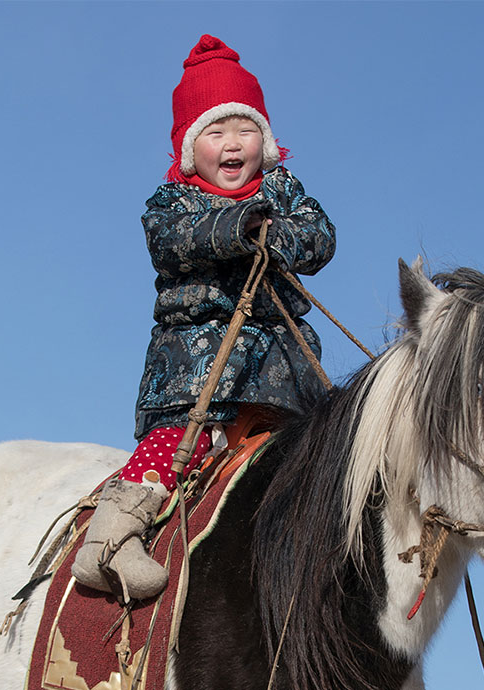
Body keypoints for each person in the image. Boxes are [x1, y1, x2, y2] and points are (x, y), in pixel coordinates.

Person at [71, 34, 336, 601]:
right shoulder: (174, 203)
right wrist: (235, 229)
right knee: (170, 452)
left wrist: (277, 233)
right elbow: (173, 241)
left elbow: (320, 237)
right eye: (215, 132)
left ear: (265, 141)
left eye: (245, 129)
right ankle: (112, 538)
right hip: (197, 375)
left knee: (311, 466)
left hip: (281, 380)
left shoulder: (286, 193)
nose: (232, 143)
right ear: (192, 148)